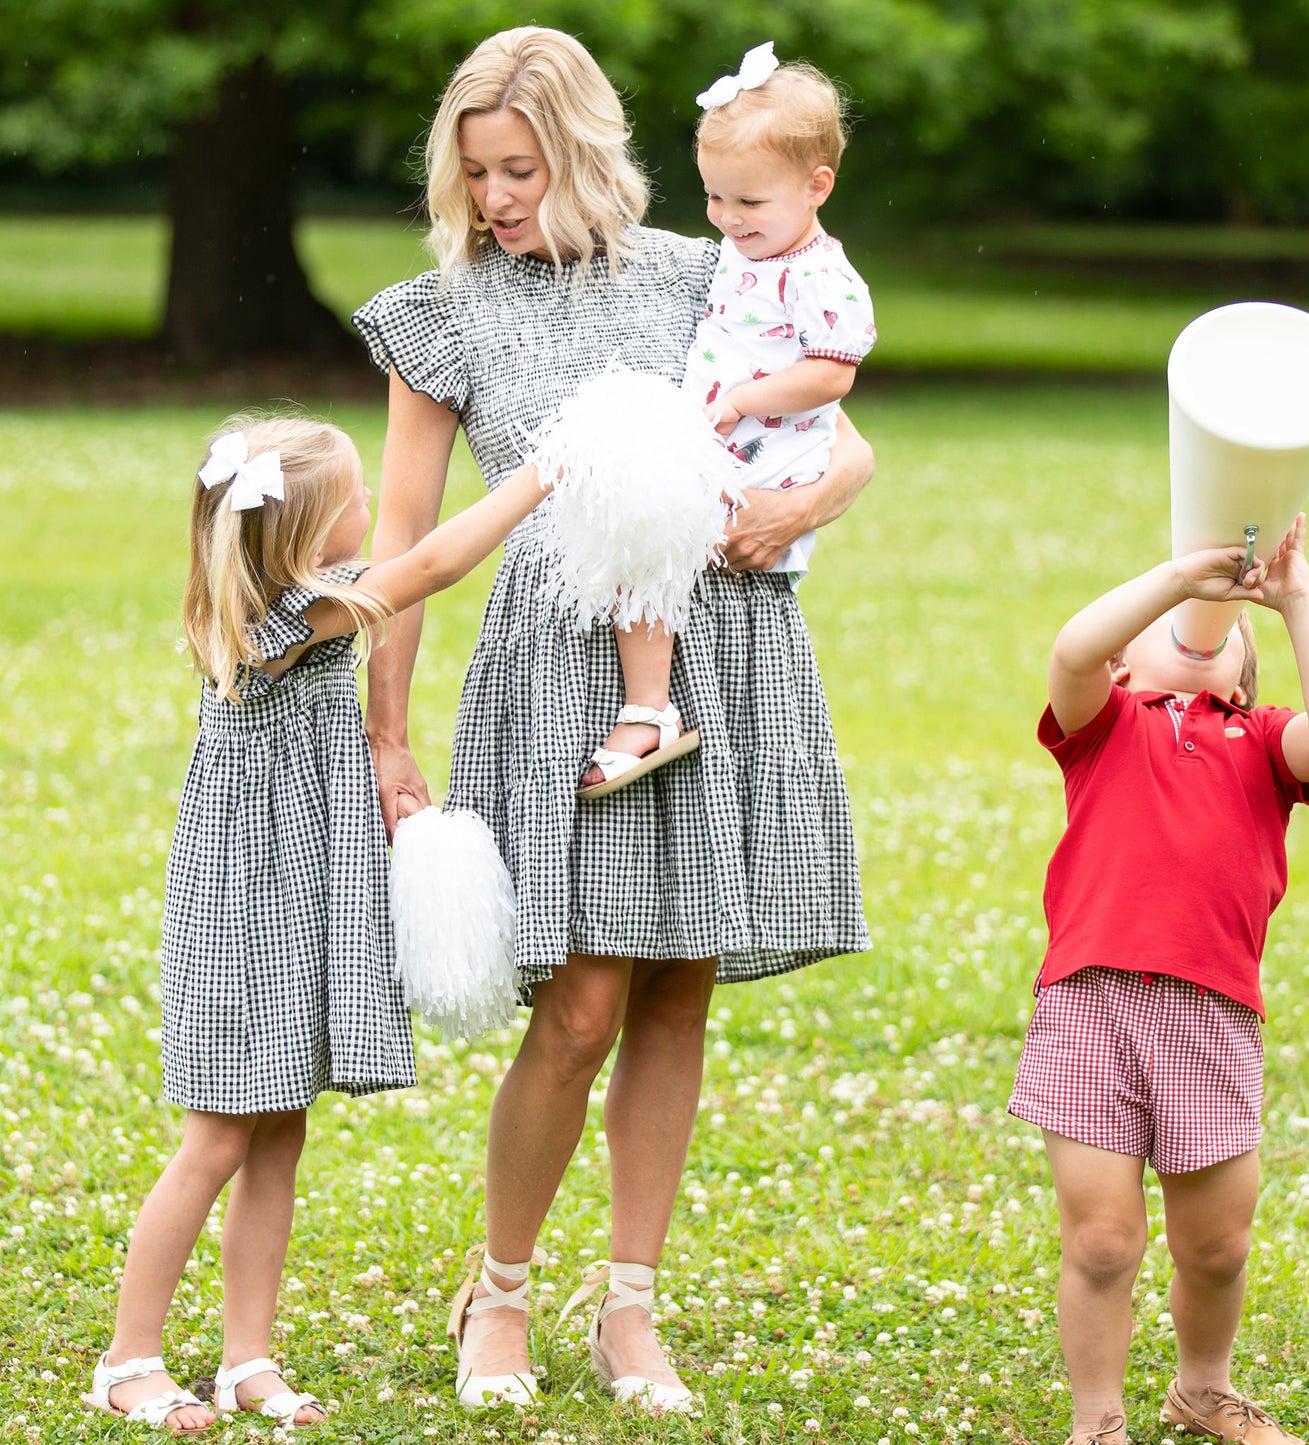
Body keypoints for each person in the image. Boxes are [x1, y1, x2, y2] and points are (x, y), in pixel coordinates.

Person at [351, 25, 872, 1414]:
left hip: (724, 642)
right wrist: (389, 735)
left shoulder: (708, 272)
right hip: (557, 667)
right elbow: (403, 534)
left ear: (579, 151)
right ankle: (502, 1291)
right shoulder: (441, 313)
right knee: (578, 1004)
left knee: (679, 979)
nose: (499, 197)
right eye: (476, 174)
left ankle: (630, 1307)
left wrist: (792, 507)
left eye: (519, 168)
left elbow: (846, 428)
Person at [82, 414, 544, 1432]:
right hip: (252, 914)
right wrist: (536, 477)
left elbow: (406, 556)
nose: (373, 507)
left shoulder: (282, 601)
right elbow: (430, 563)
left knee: (279, 1133)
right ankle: (128, 1358)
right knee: (213, 1141)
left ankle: (248, 1353)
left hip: (295, 898)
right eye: (355, 497)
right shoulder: (286, 616)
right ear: (304, 532)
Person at [1007, 514, 1309, 1445]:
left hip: (1210, 1016)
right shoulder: (1103, 726)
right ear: (1127, 666)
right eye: (1168, 623)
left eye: (1220, 629)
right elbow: (1074, 646)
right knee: (1101, 1240)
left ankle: (1202, 1388)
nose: (1198, 626)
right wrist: (1179, 574)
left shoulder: (1263, 743)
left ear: (1244, 676)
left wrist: (1294, 599)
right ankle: (1099, 1420)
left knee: (1216, 1244)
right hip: (1089, 1007)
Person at [581, 41, 875, 797]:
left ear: (817, 187)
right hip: (725, 445)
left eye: (747, 202)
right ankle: (650, 699)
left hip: (765, 457)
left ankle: (649, 708)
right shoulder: (749, 254)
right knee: (633, 532)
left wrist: (743, 398)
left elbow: (832, 371)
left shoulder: (821, 274)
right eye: (714, 197)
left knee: (641, 537)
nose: (725, 218)